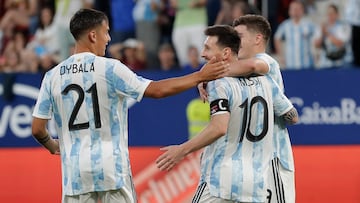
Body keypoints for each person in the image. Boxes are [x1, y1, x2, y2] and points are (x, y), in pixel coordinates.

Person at [31, 8, 228, 203]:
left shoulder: (52, 76)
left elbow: (38, 129)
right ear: (93, 35)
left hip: (75, 173)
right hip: (112, 169)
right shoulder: (110, 68)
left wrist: (52, 145)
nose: (108, 38)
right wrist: (200, 76)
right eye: (106, 31)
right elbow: (157, 90)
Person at [156, 24, 298, 202]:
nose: (202, 54)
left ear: (225, 54)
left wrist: (181, 150)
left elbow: (219, 127)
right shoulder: (267, 83)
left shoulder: (220, 83)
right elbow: (292, 116)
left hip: (221, 181)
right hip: (256, 184)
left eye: (207, 48)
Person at [198, 14, 297, 203]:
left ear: (258, 39)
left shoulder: (266, 61)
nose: (236, 41)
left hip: (273, 158)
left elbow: (252, 65)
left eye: (240, 36)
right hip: (252, 164)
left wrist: (206, 75)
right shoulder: (237, 72)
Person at [274, 0, 317, 69]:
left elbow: (317, 37)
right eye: (294, 9)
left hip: (307, 64)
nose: (296, 11)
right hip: (291, 64)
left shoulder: (309, 24)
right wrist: (281, 55)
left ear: (302, 10)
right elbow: (277, 38)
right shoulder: (285, 25)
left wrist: (316, 52)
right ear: (289, 11)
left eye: (298, 9)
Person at [313, 3, 353, 69]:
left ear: (337, 14)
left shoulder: (343, 26)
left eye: (332, 13)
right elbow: (317, 45)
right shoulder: (322, 26)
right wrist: (322, 34)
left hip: (341, 63)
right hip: (326, 63)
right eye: (328, 13)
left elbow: (340, 43)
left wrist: (326, 33)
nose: (330, 15)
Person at [344, 0, 360, 67]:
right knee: (355, 44)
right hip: (355, 22)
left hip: (355, 21)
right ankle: (356, 61)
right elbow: (350, 8)